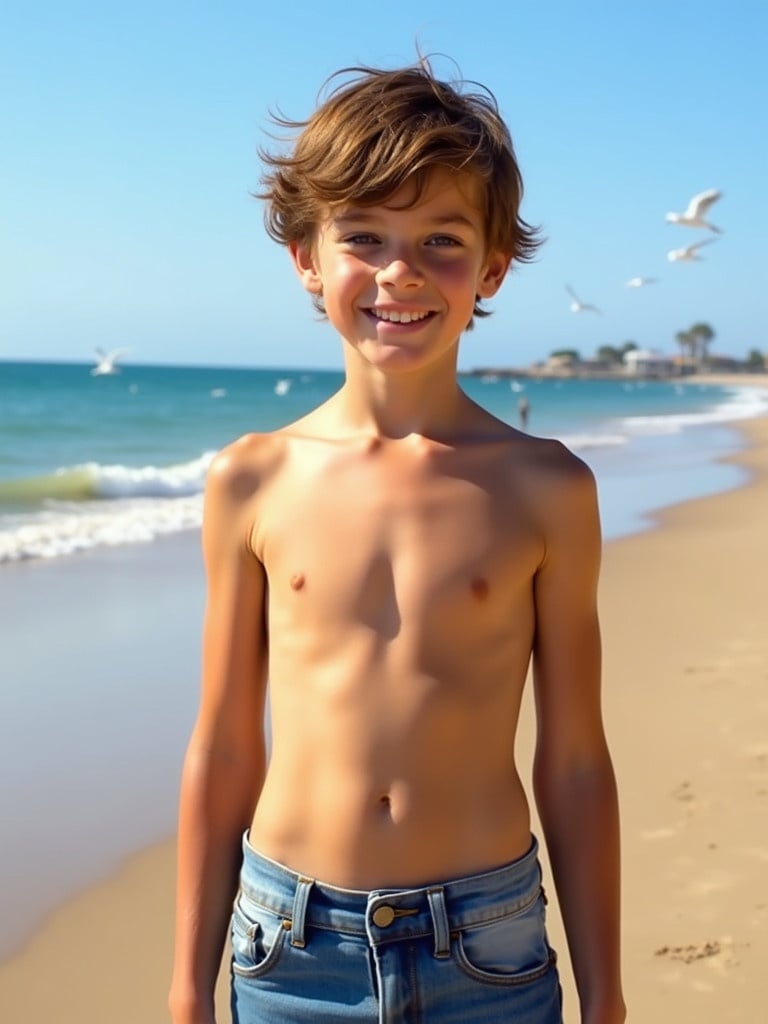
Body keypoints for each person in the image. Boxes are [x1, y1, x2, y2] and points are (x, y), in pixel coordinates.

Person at [169, 59, 625, 1024]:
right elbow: (221, 746)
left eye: (442, 241)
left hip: (488, 946)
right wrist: (185, 986)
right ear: (306, 257)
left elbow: (576, 756)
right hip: (288, 949)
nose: (401, 272)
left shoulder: (545, 487)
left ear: (493, 267)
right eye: (364, 237)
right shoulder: (252, 479)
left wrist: (607, 993)